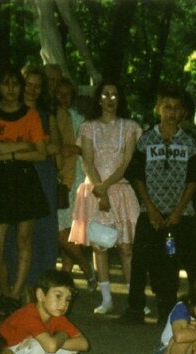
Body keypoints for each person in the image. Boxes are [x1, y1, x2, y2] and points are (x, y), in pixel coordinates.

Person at [119, 85, 196, 324]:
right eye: (167, 107)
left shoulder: (188, 142)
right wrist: (151, 209)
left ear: (183, 112)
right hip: (151, 213)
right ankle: (135, 308)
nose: (172, 113)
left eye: (177, 109)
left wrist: (178, 211)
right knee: (141, 259)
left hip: (178, 216)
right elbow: (137, 177)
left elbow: (194, 180)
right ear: (158, 109)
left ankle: (166, 308)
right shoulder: (146, 139)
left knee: (170, 257)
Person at [69, 80, 142, 315]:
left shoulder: (130, 127)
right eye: (105, 94)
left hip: (120, 190)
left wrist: (107, 187)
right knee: (100, 245)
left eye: (114, 95)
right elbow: (87, 160)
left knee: (126, 247)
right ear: (98, 98)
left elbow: (126, 162)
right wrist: (99, 190)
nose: (110, 99)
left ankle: (134, 299)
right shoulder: (88, 127)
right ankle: (107, 298)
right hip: (95, 190)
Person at [0, 65, 49, 313]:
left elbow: (41, 153)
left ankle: (15, 294)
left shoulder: (30, 114)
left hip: (24, 180)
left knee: (23, 239)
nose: (10, 89)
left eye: (15, 84)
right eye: (5, 83)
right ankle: (6, 289)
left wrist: (9, 151)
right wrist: (23, 146)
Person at [1, 65, 60, 290]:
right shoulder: (8, 113)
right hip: (14, 174)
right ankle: (17, 285)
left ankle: (42, 284)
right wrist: (34, 146)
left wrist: (31, 146)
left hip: (42, 175)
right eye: (29, 84)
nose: (32, 90)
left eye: (38, 86)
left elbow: (56, 146)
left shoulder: (47, 115)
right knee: (15, 232)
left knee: (43, 231)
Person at [53, 77, 91, 282]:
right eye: (59, 93)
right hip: (62, 176)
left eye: (67, 94)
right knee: (60, 229)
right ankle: (86, 268)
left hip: (78, 176)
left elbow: (88, 148)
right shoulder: (53, 116)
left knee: (71, 230)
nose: (63, 97)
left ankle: (65, 278)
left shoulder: (79, 119)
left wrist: (74, 149)